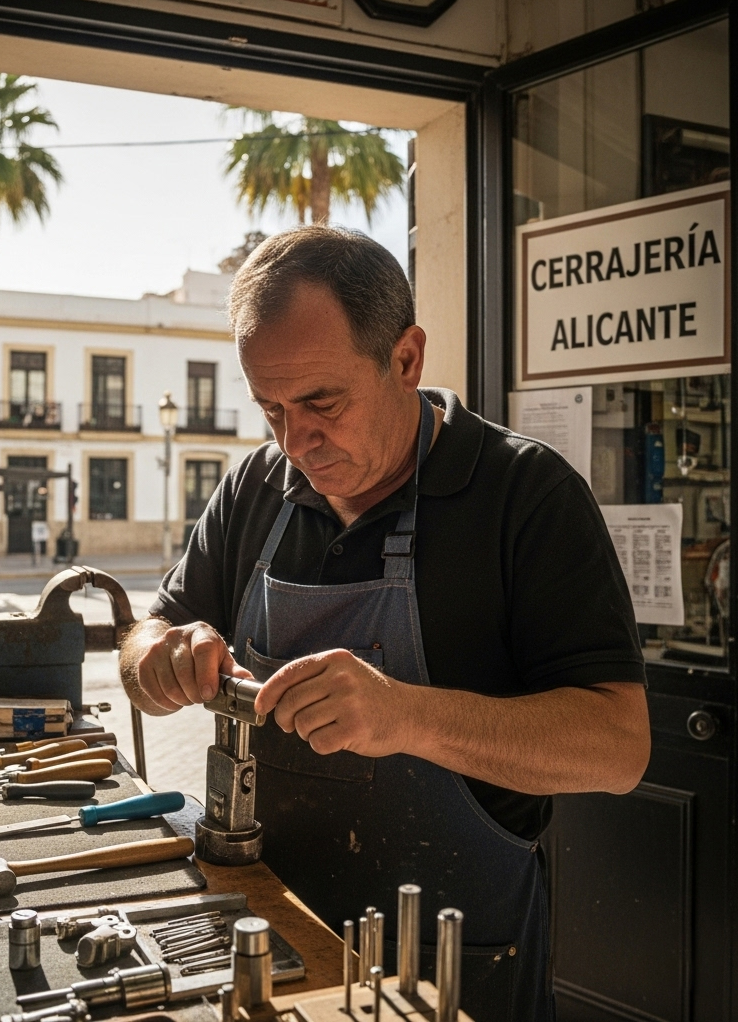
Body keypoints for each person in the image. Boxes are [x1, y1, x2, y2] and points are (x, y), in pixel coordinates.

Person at [119, 227, 650, 1022]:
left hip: (456, 962)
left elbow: (618, 747)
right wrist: (156, 658)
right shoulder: (256, 487)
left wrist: (405, 715)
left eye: (321, 403)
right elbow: (146, 632)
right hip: (267, 928)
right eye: (271, 408)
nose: (296, 442)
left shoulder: (524, 496)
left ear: (406, 358)